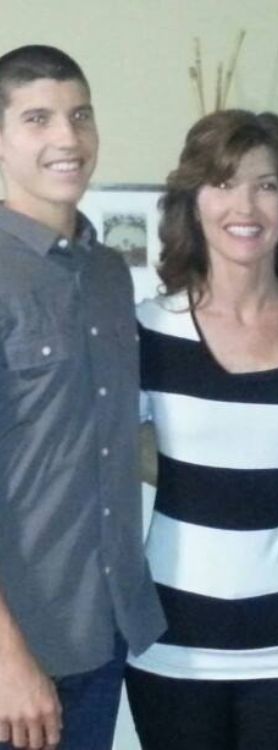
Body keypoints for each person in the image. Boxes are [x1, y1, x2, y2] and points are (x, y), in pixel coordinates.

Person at [125, 109, 278, 750]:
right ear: (193, 201)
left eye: (266, 184)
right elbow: (100, 458)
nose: (244, 204)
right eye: (223, 183)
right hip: (170, 641)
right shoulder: (148, 326)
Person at [0, 45, 165, 750]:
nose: (67, 137)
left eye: (80, 115)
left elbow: (108, 439)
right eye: (37, 118)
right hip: (17, 653)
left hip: (102, 636)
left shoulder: (108, 274)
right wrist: (7, 659)